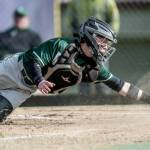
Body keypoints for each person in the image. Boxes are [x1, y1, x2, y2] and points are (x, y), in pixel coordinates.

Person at [0, 17, 149, 123]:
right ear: (90, 35)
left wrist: (148, 99)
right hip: (14, 69)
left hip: (24, 89)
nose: (105, 46)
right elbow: (33, 60)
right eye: (102, 40)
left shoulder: (93, 68)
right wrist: (39, 81)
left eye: (107, 43)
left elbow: (121, 86)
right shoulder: (61, 45)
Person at [61, 0, 120, 95]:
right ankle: (84, 97)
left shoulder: (107, 2)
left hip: (100, 41)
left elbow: (114, 20)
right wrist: (74, 38)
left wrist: (108, 40)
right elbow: (68, 20)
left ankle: (104, 98)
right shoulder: (76, 2)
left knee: (101, 69)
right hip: (83, 42)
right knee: (82, 70)